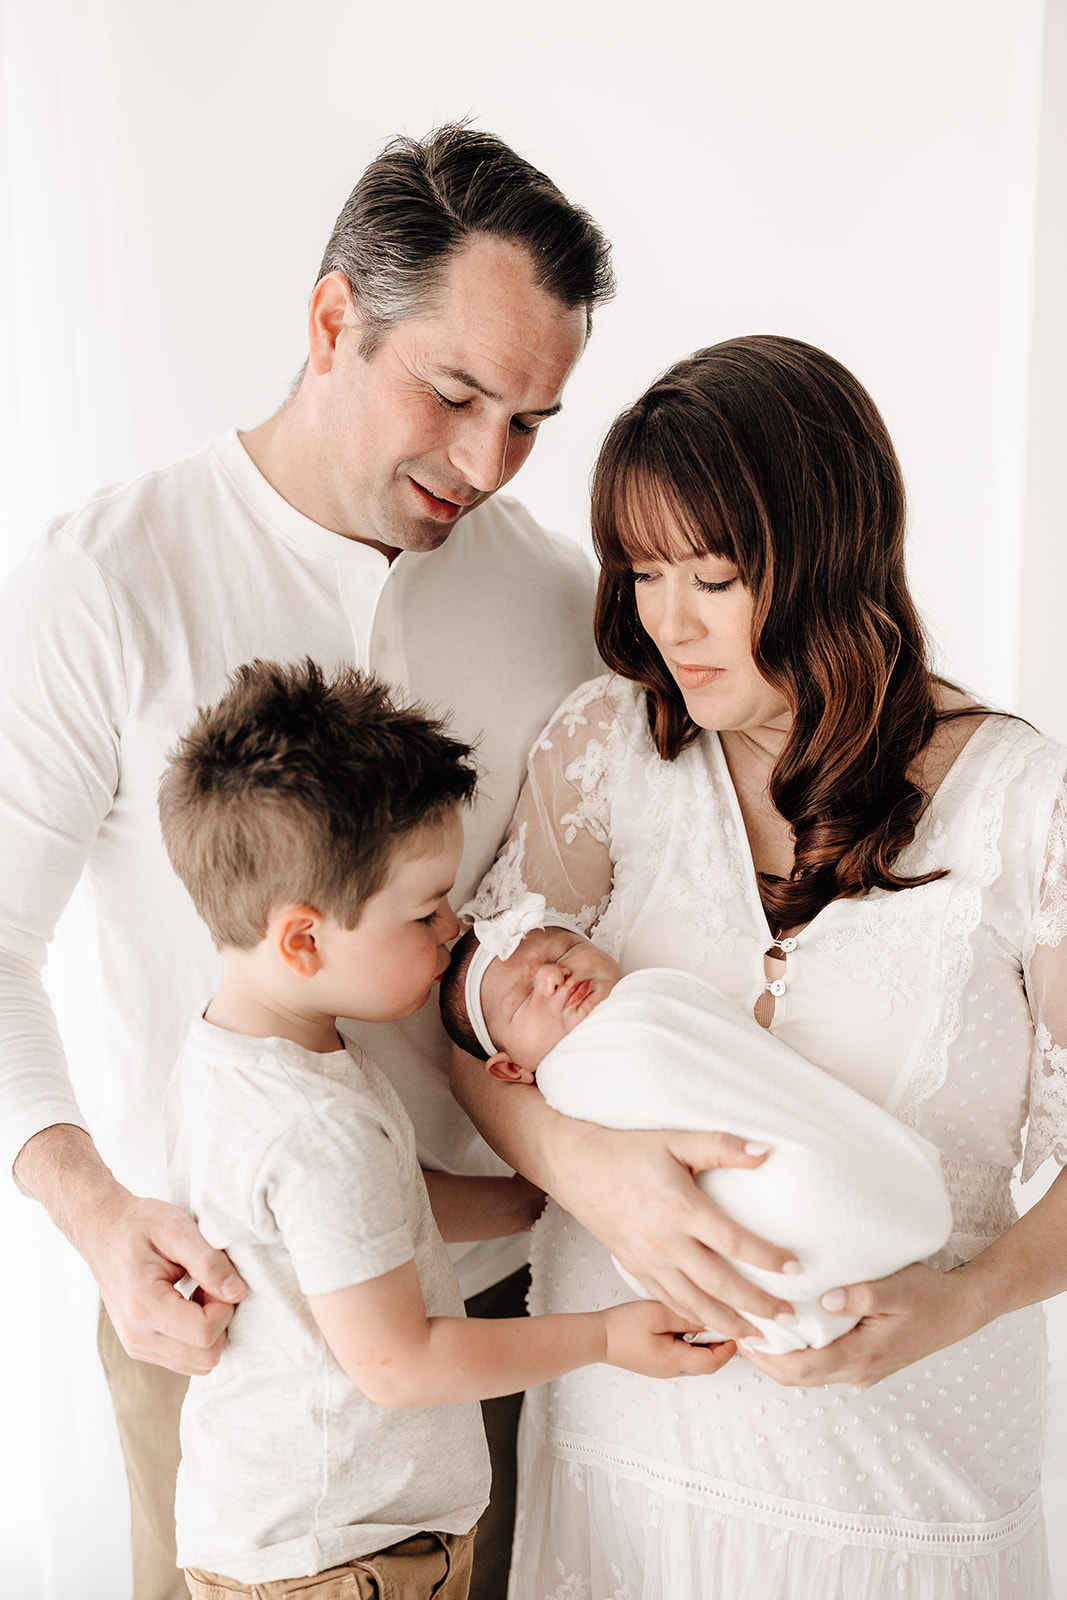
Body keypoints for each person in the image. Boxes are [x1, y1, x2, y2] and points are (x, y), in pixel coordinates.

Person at [0, 124, 615, 1600]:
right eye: (455, 393)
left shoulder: (548, 596)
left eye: (529, 418)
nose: (485, 460)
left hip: (493, 1319)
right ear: (334, 320)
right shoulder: (106, 580)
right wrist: (95, 1213)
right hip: (218, 1344)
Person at [452, 335, 1067, 1597]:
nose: (663, 622)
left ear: (830, 555)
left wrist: (962, 1302)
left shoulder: (1022, 804)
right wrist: (582, 1167)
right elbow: (472, 1021)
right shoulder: (605, 751)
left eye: (713, 576)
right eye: (639, 573)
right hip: (625, 1465)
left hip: (900, 1491)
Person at [158, 658, 732, 1598]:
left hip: (309, 1539)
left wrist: (537, 1198)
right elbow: (399, 1359)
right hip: (341, 1561)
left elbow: (364, 1219)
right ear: (303, 940)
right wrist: (607, 1337)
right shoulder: (315, 1124)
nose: (454, 928)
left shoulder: (241, 1056)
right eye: (426, 911)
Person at [440, 892, 954, 1355]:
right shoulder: (566, 1083)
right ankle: (812, 1240)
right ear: (511, 1070)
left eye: (564, 951)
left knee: (812, 1167)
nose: (553, 976)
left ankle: (844, 1203)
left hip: (795, 1143)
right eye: (524, 997)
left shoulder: (653, 996)